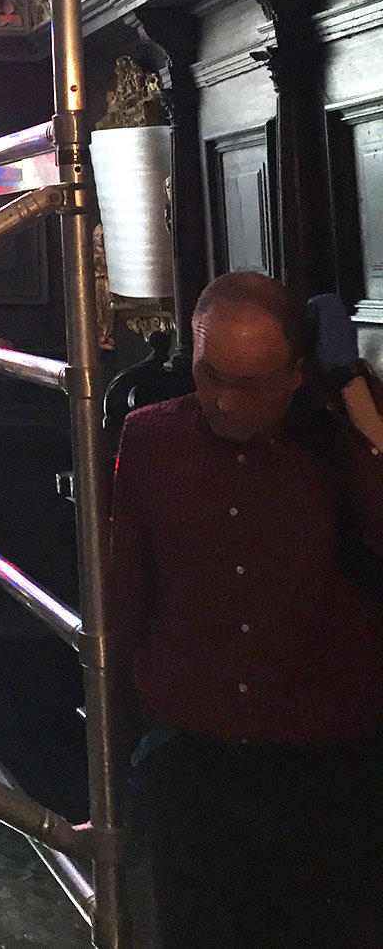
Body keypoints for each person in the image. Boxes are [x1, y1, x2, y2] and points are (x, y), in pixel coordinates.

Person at [109, 271, 383, 949]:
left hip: (326, 772)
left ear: (296, 373)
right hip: (192, 767)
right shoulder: (149, 439)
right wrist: (118, 773)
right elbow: (122, 603)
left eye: (252, 384)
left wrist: (353, 394)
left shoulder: (345, 438)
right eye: (209, 376)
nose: (225, 402)